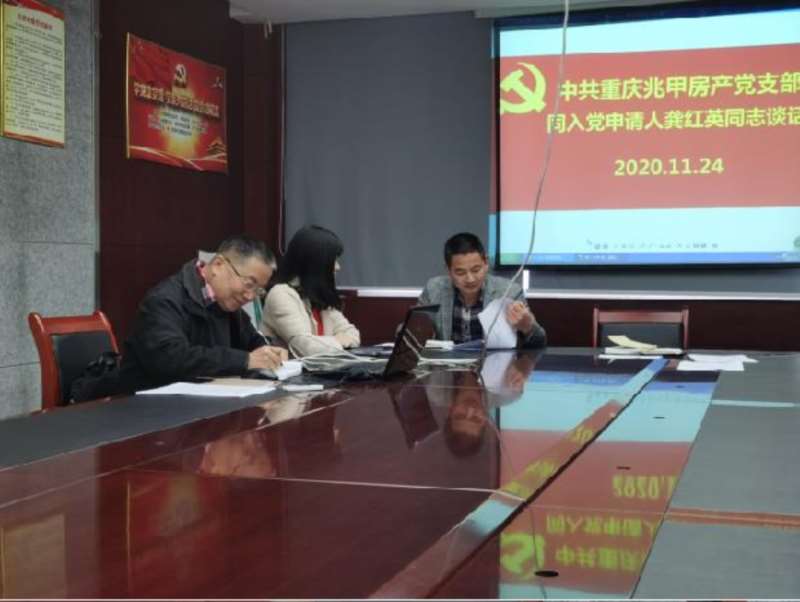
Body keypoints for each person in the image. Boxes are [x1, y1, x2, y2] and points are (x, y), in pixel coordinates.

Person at [71, 235, 287, 401]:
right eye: (249, 284)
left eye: (258, 290)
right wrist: (245, 360)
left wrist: (267, 351)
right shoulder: (164, 300)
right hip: (142, 409)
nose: (250, 296)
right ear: (219, 265)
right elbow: (171, 358)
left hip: (196, 405)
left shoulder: (227, 304)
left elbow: (252, 340)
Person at [418, 232, 546, 348]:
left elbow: (540, 343)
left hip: (494, 364)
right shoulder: (434, 289)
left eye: (476, 270)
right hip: (448, 365)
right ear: (448, 271)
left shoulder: (509, 291)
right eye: (460, 272)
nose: (470, 279)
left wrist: (528, 326)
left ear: (486, 263)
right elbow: (414, 334)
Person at [261, 225, 360, 357]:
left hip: (322, 368)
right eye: (333, 261)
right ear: (316, 263)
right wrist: (339, 340)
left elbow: (352, 333)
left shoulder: (318, 294)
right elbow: (305, 346)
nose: (338, 267)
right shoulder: (281, 294)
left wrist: (327, 342)